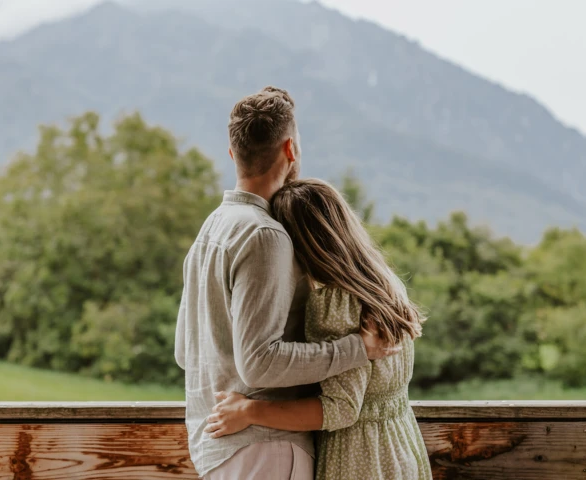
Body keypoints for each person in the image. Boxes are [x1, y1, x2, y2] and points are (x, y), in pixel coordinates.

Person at [174, 86, 399, 480]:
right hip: (264, 448)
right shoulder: (265, 235)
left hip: (214, 447)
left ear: (233, 155)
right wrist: (358, 349)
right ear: (291, 149)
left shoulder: (211, 229)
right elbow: (259, 363)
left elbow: (183, 351)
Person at [204, 179, 433, 480]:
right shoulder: (386, 284)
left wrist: (249, 411)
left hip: (358, 462)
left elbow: (341, 410)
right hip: (400, 449)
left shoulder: (336, 303)